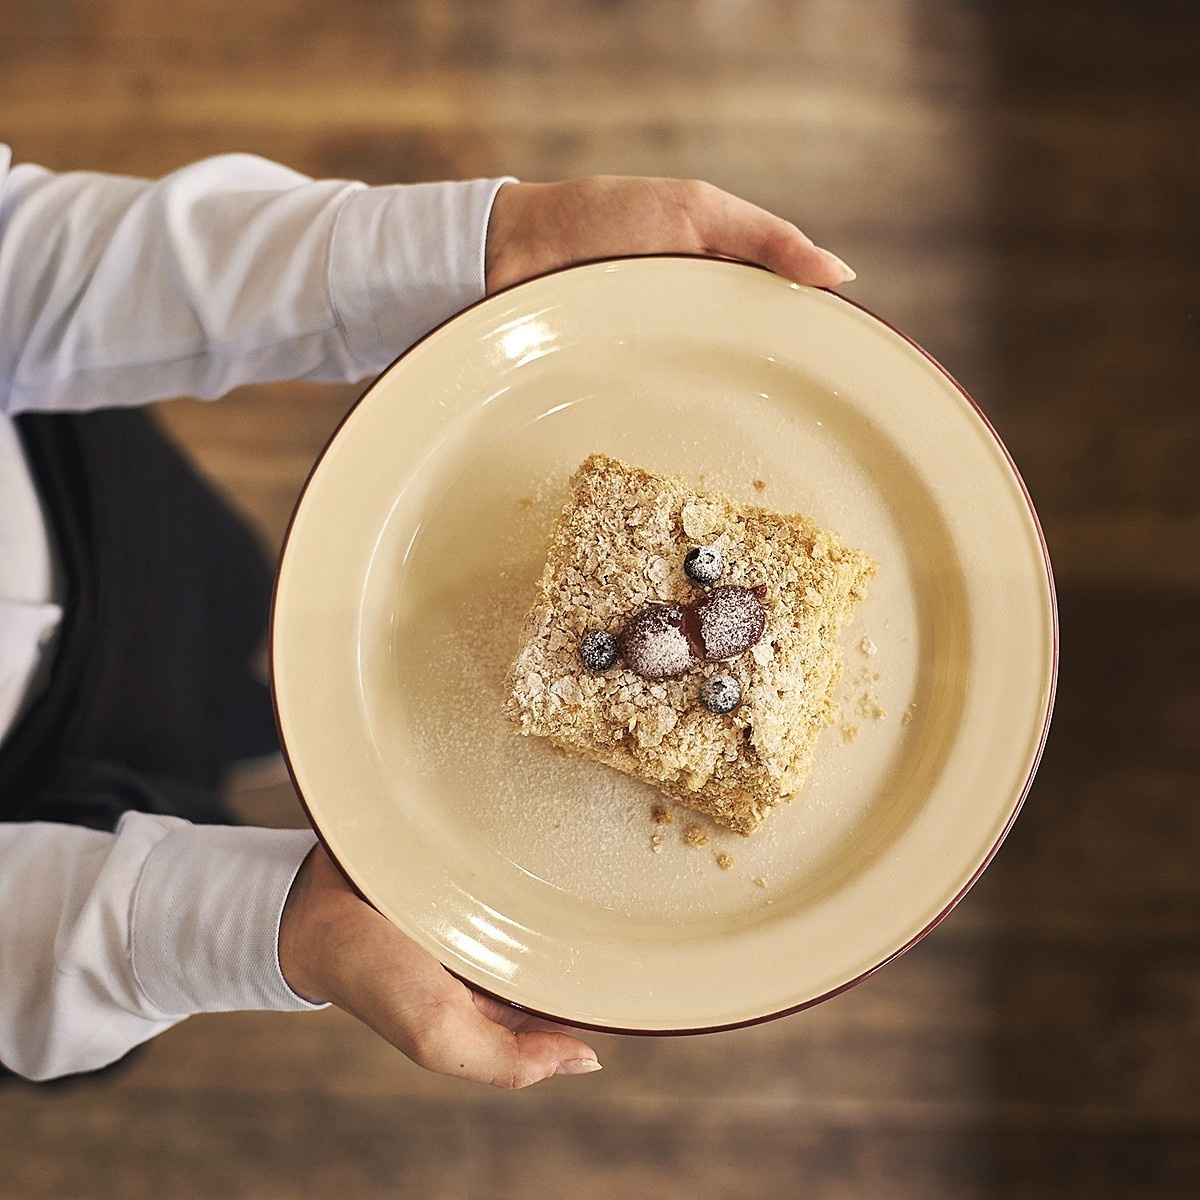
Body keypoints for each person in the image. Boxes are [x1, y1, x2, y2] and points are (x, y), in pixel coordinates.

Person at [0, 145, 855, 1088]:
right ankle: (243, 742)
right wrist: (257, 925)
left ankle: (247, 722)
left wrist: (479, 248)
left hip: (85, 498)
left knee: (229, 604)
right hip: (41, 815)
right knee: (188, 769)